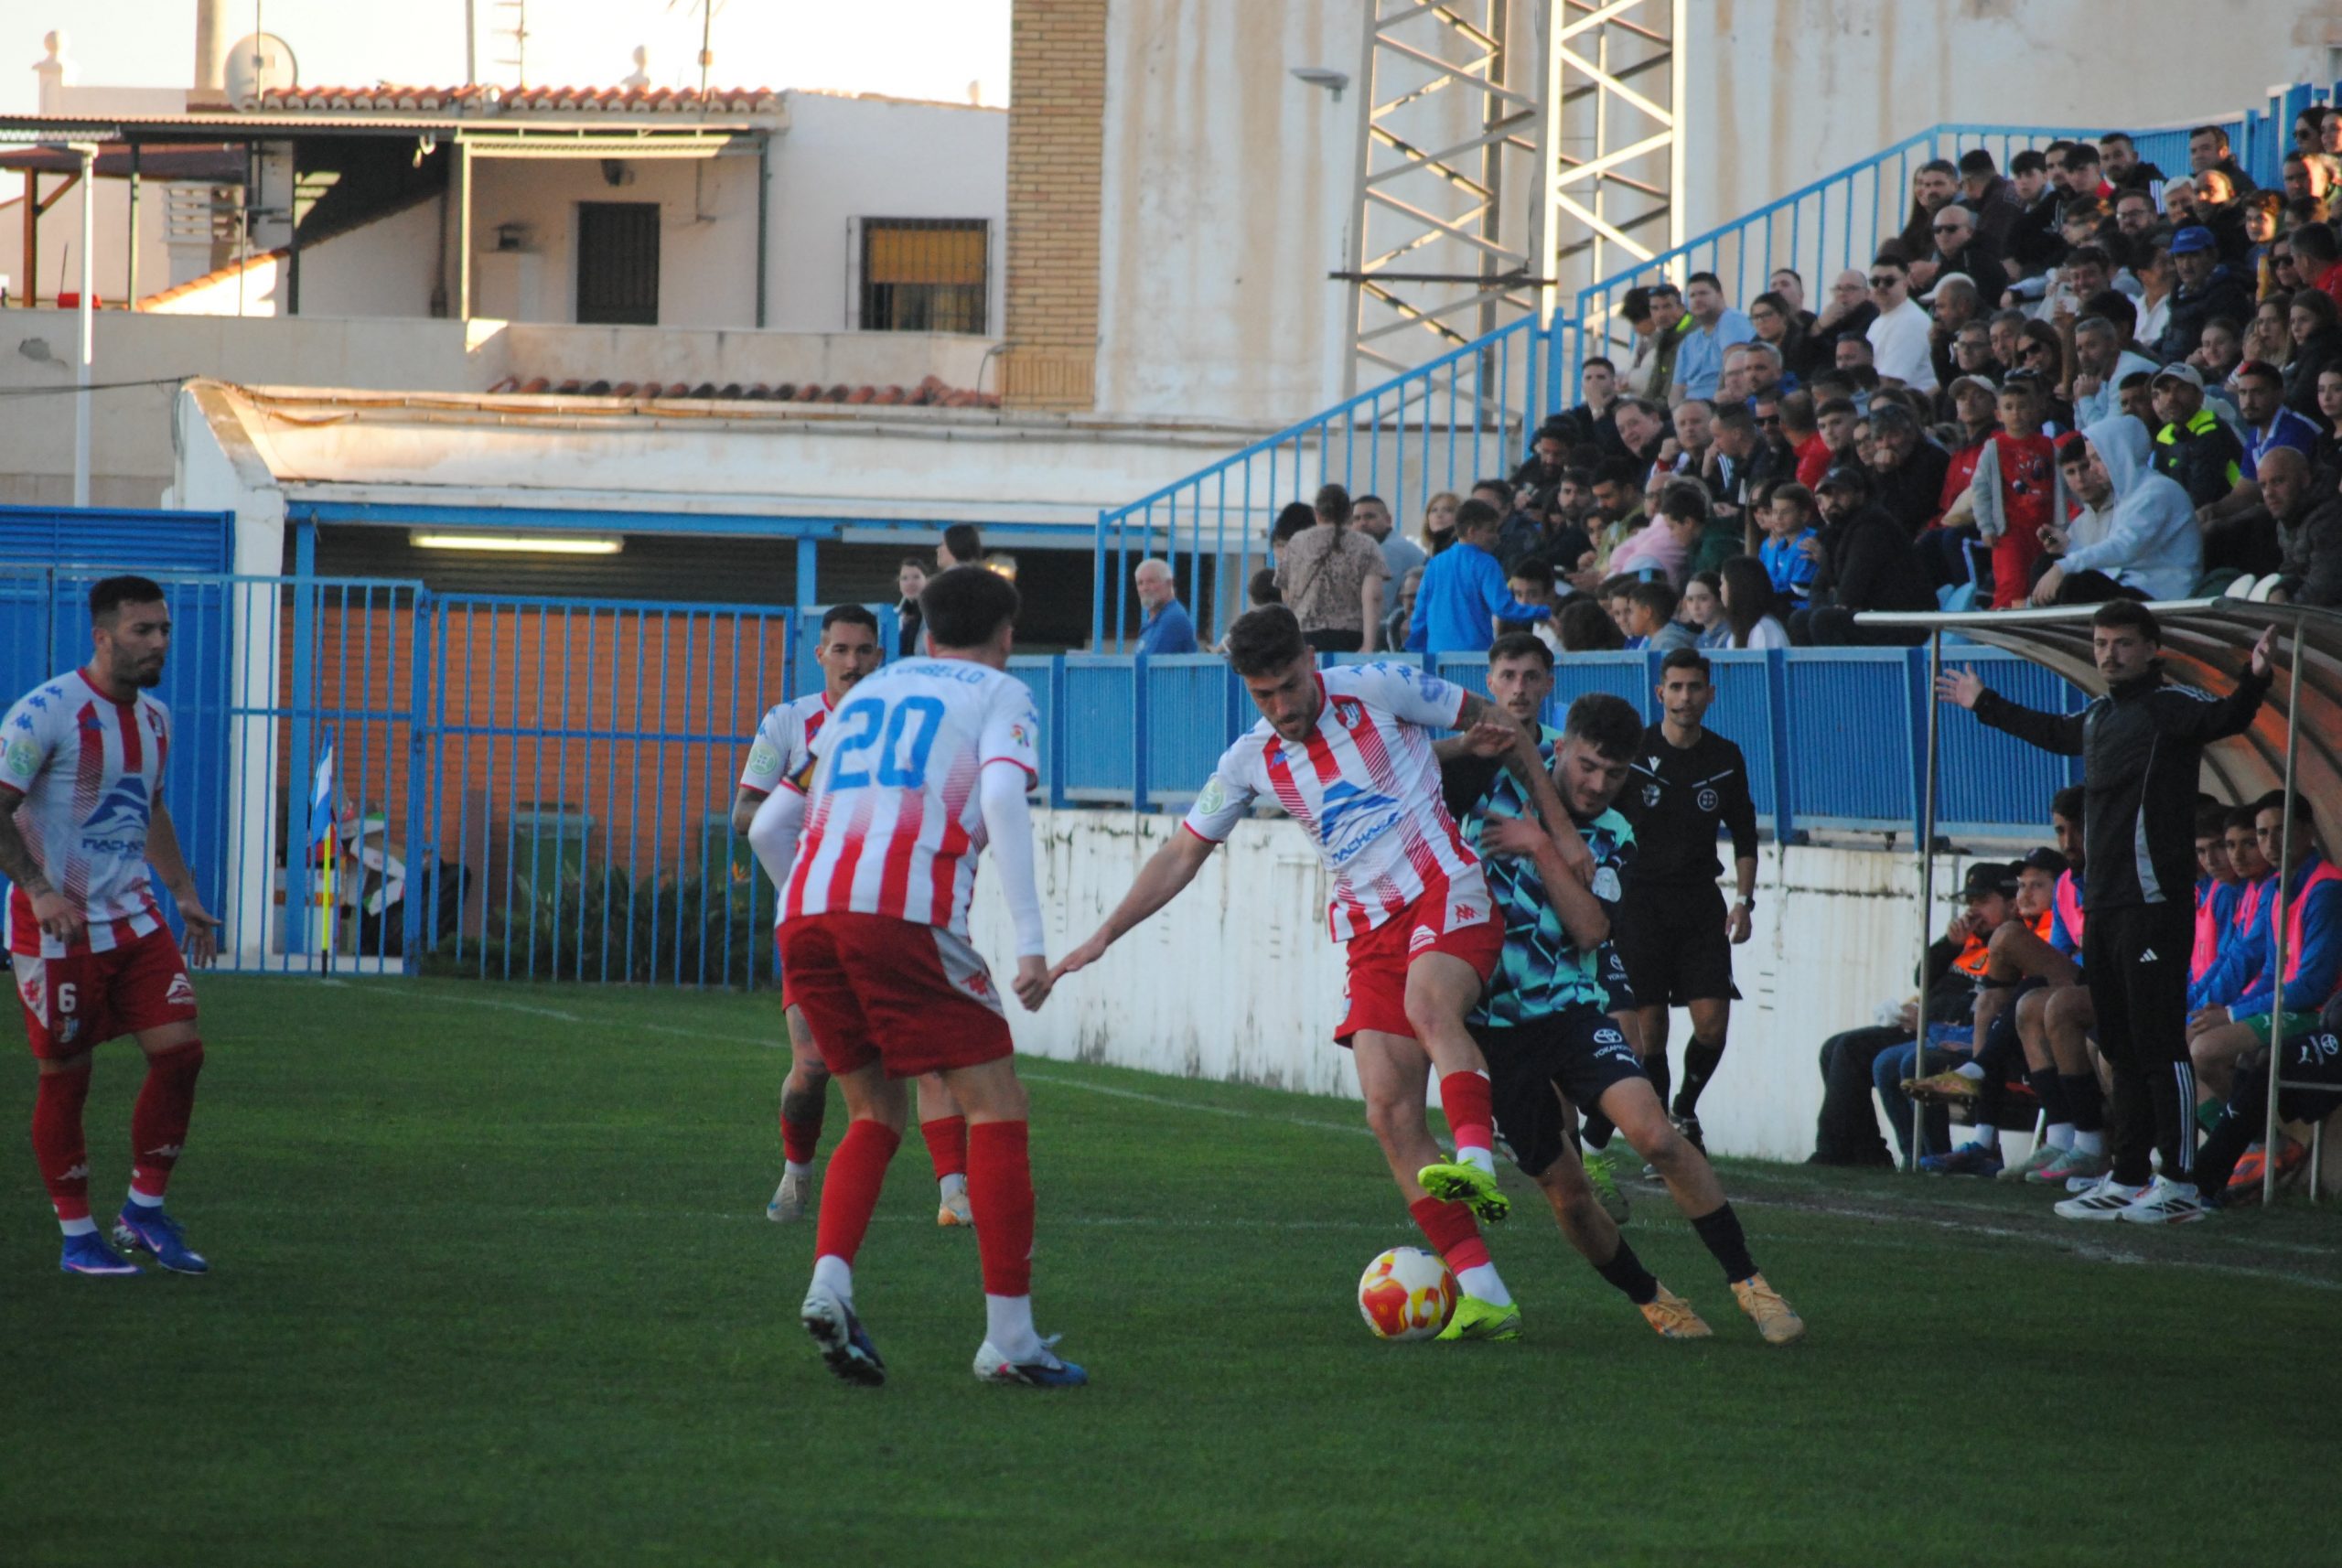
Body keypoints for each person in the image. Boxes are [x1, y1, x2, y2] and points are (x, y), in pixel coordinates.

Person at [1056, 606, 1581, 1342]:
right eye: (1263, 695)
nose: (1283, 707)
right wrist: (1104, 934)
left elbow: (1499, 720)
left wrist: (1558, 830)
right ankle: (1487, 1294)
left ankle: (1475, 1163)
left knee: (1432, 1010)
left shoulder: (1378, 684)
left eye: (1291, 686)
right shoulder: (1248, 761)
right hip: (1368, 932)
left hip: (1446, 890)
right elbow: (1181, 853)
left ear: (1311, 658)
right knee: (1388, 1113)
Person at [757, 566, 1080, 1389]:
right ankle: (1010, 1340)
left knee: (873, 1109)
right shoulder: (1001, 694)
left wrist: (809, 896)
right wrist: (1032, 944)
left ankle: (830, 1282)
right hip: (901, 911)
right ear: (1007, 636)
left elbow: (772, 820)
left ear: (924, 634)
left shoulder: (867, 692)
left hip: (807, 911)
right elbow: (1004, 797)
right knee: (996, 1101)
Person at [1441, 666, 1805, 1345]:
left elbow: (1590, 928)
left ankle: (1752, 1286)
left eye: (1613, 773)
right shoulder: (1496, 777)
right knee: (1569, 1196)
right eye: (1586, 767)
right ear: (1561, 746)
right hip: (1490, 1028)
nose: (1596, 785)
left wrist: (1541, 846)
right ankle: (1653, 1298)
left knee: (1656, 1134)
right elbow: (1410, 774)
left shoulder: (1614, 831)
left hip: (1571, 1009)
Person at [1939, 602, 2277, 1225]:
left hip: (2153, 904)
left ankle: (2178, 1182)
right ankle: (2126, 1176)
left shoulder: (2167, 707)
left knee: (2158, 1044)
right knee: (2120, 1044)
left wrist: (2255, 678)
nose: (2108, 654)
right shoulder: (2097, 716)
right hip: (2106, 905)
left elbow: (2226, 716)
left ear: (2151, 649)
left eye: (2122, 644)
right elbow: (2050, 732)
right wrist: (1983, 703)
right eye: (2100, 643)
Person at [1, 576, 221, 1277]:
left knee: (181, 1054)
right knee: (66, 1076)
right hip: (59, 929)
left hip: (134, 918)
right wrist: (37, 891)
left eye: (163, 631)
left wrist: (182, 892)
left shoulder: (155, 718)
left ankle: (143, 1214)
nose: (158, 643)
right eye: (142, 632)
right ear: (102, 636)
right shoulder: (47, 712)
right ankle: (78, 1238)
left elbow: (150, 810)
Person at [736, 604, 975, 1229]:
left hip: (892, 913)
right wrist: (803, 887)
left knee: (926, 1051)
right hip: (815, 922)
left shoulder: (907, 727)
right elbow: (747, 815)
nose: (852, 661)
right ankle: (796, 1174)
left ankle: (955, 1192)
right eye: (840, 650)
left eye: (864, 650)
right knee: (813, 1067)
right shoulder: (788, 722)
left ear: (879, 656)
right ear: (820, 655)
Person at [1612, 648, 1759, 1152]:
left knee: (1713, 1023)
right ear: (1660, 693)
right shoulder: (1633, 751)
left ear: (1710, 694)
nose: (1684, 697)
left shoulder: (1725, 757)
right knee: (1651, 1030)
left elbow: (1744, 832)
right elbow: (1600, 818)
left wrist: (1744, 900)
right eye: (1675, 687)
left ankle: (1685, 1109)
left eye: (1694, 687)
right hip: (1641, 902)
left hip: (1700, 902)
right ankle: (1660, 1137)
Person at [1405, 498, 1557, 653]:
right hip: (1474, 655)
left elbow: (1420, 613)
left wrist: (1416, 650)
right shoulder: (1485, 563)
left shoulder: (1435, 563)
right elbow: (1503, 608)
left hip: (1437, 655)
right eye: (1491, 530)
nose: (1497, 537)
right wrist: (1542, 612)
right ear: (1472, 531)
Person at [1275, 484, 1389, 654]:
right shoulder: (1366, 544)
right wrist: (1368, 645)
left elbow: (1286, 592)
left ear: (1317, 513)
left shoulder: (1298, 542)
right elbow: (1374, 596)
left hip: (1306, 635)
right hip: (1351, 637)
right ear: (1349, 513)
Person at [1865, 255, 1939, 392]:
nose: (1881, 286)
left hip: (1909, 406)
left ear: (1905, 282)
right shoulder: (1878, 322)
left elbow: (1891, 381)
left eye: (1889, 281)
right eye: (1875, 281)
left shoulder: (1911, 321)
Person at [1717, 555, 1790, 650]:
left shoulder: (1764, 628)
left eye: (1723, 582)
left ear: (1738, 586)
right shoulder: (1734, 634)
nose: (1720, 589)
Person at [1353, 492, 1425, 585]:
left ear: (1388, 520)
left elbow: (1381, 597)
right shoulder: (1384, 545)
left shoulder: (1390, 550)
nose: (1362, 523)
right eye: (1356, 518)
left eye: (1370, 517)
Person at [1133, 557, 1200, 655]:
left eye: (1151, 581)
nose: (1145, 588)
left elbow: (1151, 664)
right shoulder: (1152, 623)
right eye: (1140, 583)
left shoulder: (1173, 619)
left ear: (1169, 583)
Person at [893, 558, 928, 657]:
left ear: (927, 580)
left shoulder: (937, 615)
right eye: (904, 578)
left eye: (916, 577)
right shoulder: (892, 616)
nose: (910, 583)